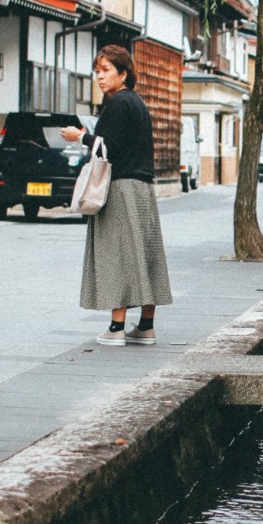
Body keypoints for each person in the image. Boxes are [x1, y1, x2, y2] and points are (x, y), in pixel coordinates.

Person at [61, 44, 173, 345]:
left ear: (123, 73)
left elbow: (109, 148)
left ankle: (115, 328)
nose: (99, 77)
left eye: (106, 70)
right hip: (143, 188)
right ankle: (146, 325)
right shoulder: (136, 102)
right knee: (146, 254)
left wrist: (79, 137)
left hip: (121, 187)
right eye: (97, 71)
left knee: (117, 253)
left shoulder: (118, 103)